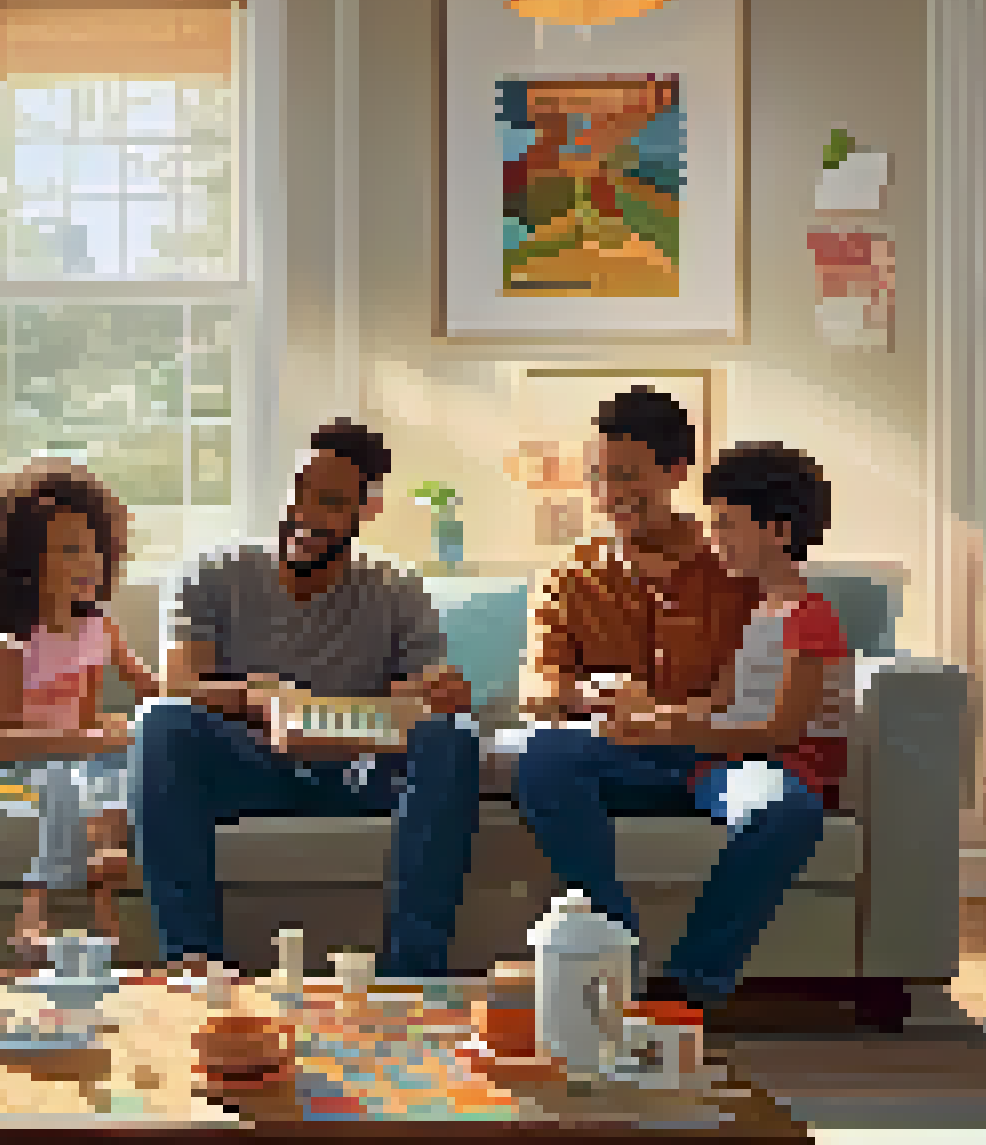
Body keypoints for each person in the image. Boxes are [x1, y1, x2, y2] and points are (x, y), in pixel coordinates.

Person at [130, 419, 482, 979]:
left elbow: (425, 694)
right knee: (161, 722)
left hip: (357, 773)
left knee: (454, 737)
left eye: (331, 502)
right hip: (253, 766)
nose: (306, 514)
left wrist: (439, 694)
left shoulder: (398, 589)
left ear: (365, 512)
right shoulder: (212, 574)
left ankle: (411, 975)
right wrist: (261, 700)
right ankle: (195, 966)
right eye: (300, 490)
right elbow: (178, 685)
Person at [516, 438, 849, 1011]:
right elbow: (721, 702)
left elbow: (781, 733)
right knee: (547, 755)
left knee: (784, 811)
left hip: (764, 766)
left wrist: (669, 731)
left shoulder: (810, 617)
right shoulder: (757, 610)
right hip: (710, 759)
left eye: (727, 527)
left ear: (778, 531)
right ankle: (615, 947)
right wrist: (646, 718)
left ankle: (691, 983)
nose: (714, 540)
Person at [0, 459, 161, 956]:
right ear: (23, 566)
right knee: (63, 781)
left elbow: (155, 693)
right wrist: (88, 739)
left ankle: (106, 893)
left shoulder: (101, 629)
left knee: (133, 766)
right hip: (20, 764)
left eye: (94, 548)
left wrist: (149, 723)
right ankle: (36, 912)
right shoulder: (14, 642)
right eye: (70, 550)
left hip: (81, 755)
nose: (89, 562)